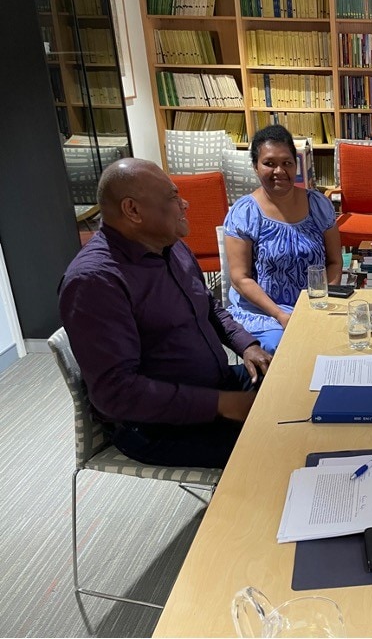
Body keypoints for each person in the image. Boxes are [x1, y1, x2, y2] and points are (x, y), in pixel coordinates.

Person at [59, 158, 273, 469]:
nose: (184, 203)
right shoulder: (95, 281)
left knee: (292, 394)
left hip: (215, 386)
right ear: (133, 210)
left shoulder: (169, 245)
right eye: (173, 196)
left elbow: (208, 306)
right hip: (158, 427)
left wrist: (247, 345)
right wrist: (221, 404)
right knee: (279, 449)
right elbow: (116, 392)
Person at [223, 125, 342, 353]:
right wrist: (281, 315)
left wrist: (322, 301)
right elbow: (240, 278)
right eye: (269, 163)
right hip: (265, 312)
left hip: (313, 305)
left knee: (342, 341)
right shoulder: (245, 213)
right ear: (255, 167)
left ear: (296, 165)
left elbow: (335, 262)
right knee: (290, 349)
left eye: (287, 162)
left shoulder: (318, 204)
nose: (279, 170)